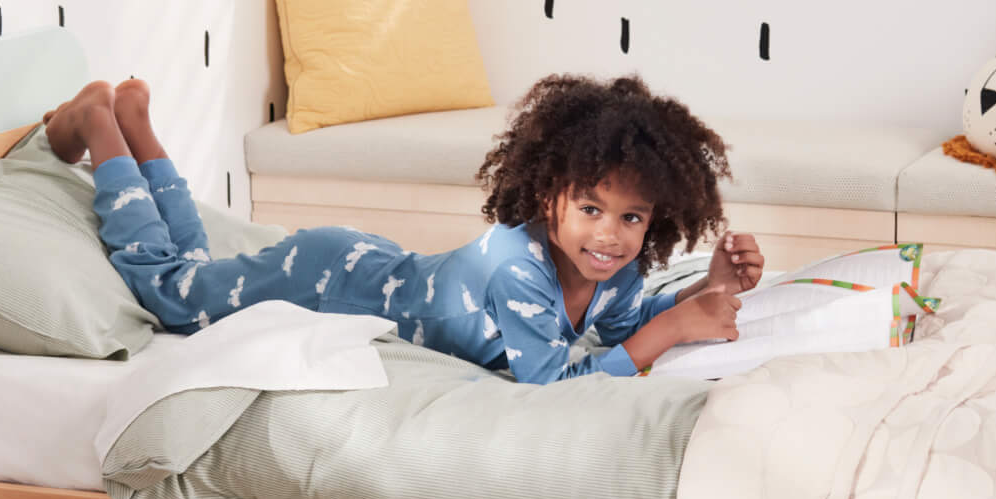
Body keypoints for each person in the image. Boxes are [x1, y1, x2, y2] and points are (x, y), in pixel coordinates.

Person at [44, 74, 763, 384]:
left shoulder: (615, 266)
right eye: (591, 210)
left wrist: (708, 288)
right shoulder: (516, 268)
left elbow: (625, 322)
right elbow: (558, 382)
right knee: (173, 296)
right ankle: (99, 127)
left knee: (196, 269)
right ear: (548, 198)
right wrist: (671, 333)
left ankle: (137, 128)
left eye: (632, 218)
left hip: (372, 268)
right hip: (325, 281)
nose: (610, 236)